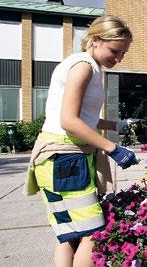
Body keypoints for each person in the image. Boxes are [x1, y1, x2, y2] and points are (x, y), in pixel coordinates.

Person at [24, 15, 140, 267]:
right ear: (96, 40)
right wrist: (112, 148)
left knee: (69, 236)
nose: (119, 58)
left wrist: (116, 125)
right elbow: (69, 120)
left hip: (59, 158)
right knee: (93, 235)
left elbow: (81, 117)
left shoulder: (87, 66)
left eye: (123, 53)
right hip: (65, 157)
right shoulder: (84, 66)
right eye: (115, 50)